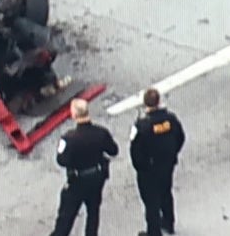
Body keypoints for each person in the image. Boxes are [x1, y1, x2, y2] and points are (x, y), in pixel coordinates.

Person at [50, 98, 119, 236]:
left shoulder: (69, 138)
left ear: (74, 115)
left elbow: (61, 160)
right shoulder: (101, 133)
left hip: (77, 181)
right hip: (97, 178)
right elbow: (113, 150)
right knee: (93, 212)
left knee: (66, 216)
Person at [129, 87, 185, 236]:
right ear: (159, 101)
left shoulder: (141, 126)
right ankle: (168, 222)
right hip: (167, 165)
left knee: (151, 201)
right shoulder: (170, 119)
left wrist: (141, 168)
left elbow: (135, 151)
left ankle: (153, 232)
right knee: (166, 192)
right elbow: (180, 137)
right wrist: (172, 154)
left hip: (149, 169)